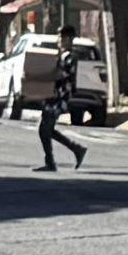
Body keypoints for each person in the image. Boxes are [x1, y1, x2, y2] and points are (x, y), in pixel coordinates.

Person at [34, 25, 88, 173]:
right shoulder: (62, 55)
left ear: (70, 39)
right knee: (45, 129)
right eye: (59, 37)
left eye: (63, 38)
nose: (60, 40)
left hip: (59, 98)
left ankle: (53, 161)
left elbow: (60, 75)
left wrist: (38, 78)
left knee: (45, 128)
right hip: (53, 96)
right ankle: (75, 150)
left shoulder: (70, 57)